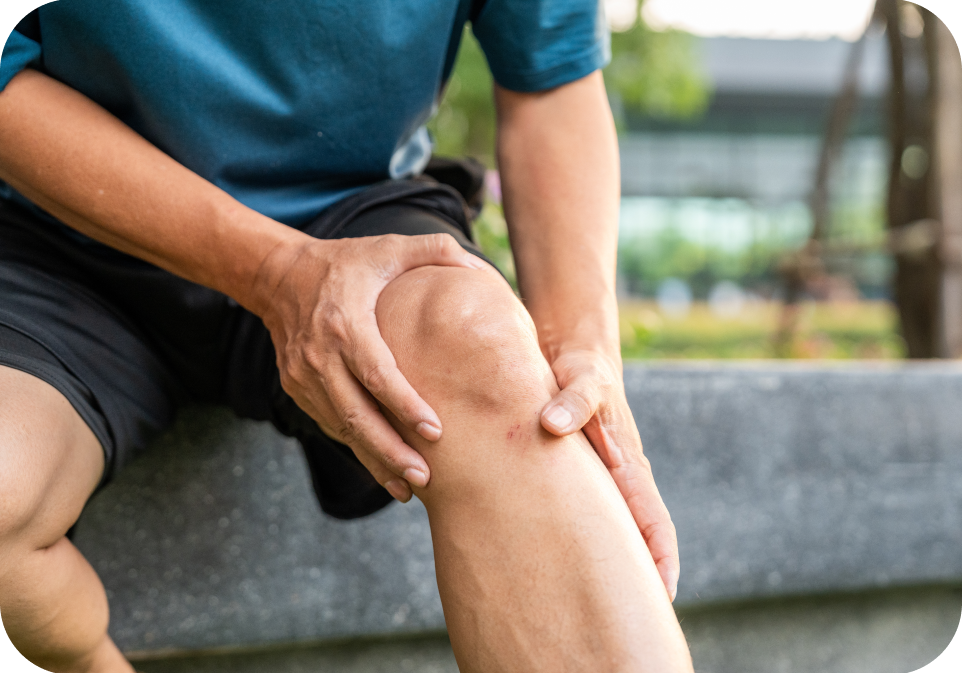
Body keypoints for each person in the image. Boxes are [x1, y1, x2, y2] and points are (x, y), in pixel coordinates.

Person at [0, 1, 693, 671]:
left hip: (352, 216)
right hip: (53, 234)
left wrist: (582, 342)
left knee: (491, 359)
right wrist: (274, 271)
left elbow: (549, 79)